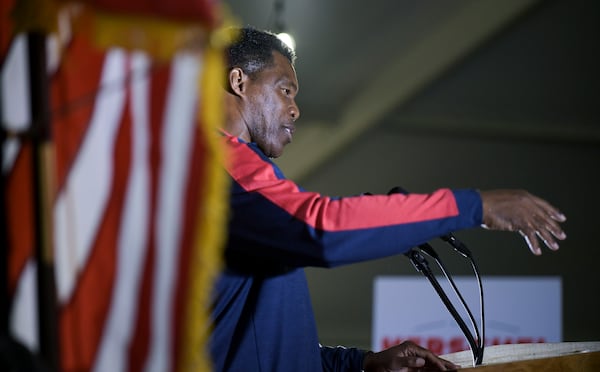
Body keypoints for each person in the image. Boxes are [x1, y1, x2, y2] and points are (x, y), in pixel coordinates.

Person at [209, 26, 567, 372]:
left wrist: (361, 363)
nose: (295, 108)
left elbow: (260, 347)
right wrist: (476, 206)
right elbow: (321, 226)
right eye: (285, 90)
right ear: (239, 81)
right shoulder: (219, 163)